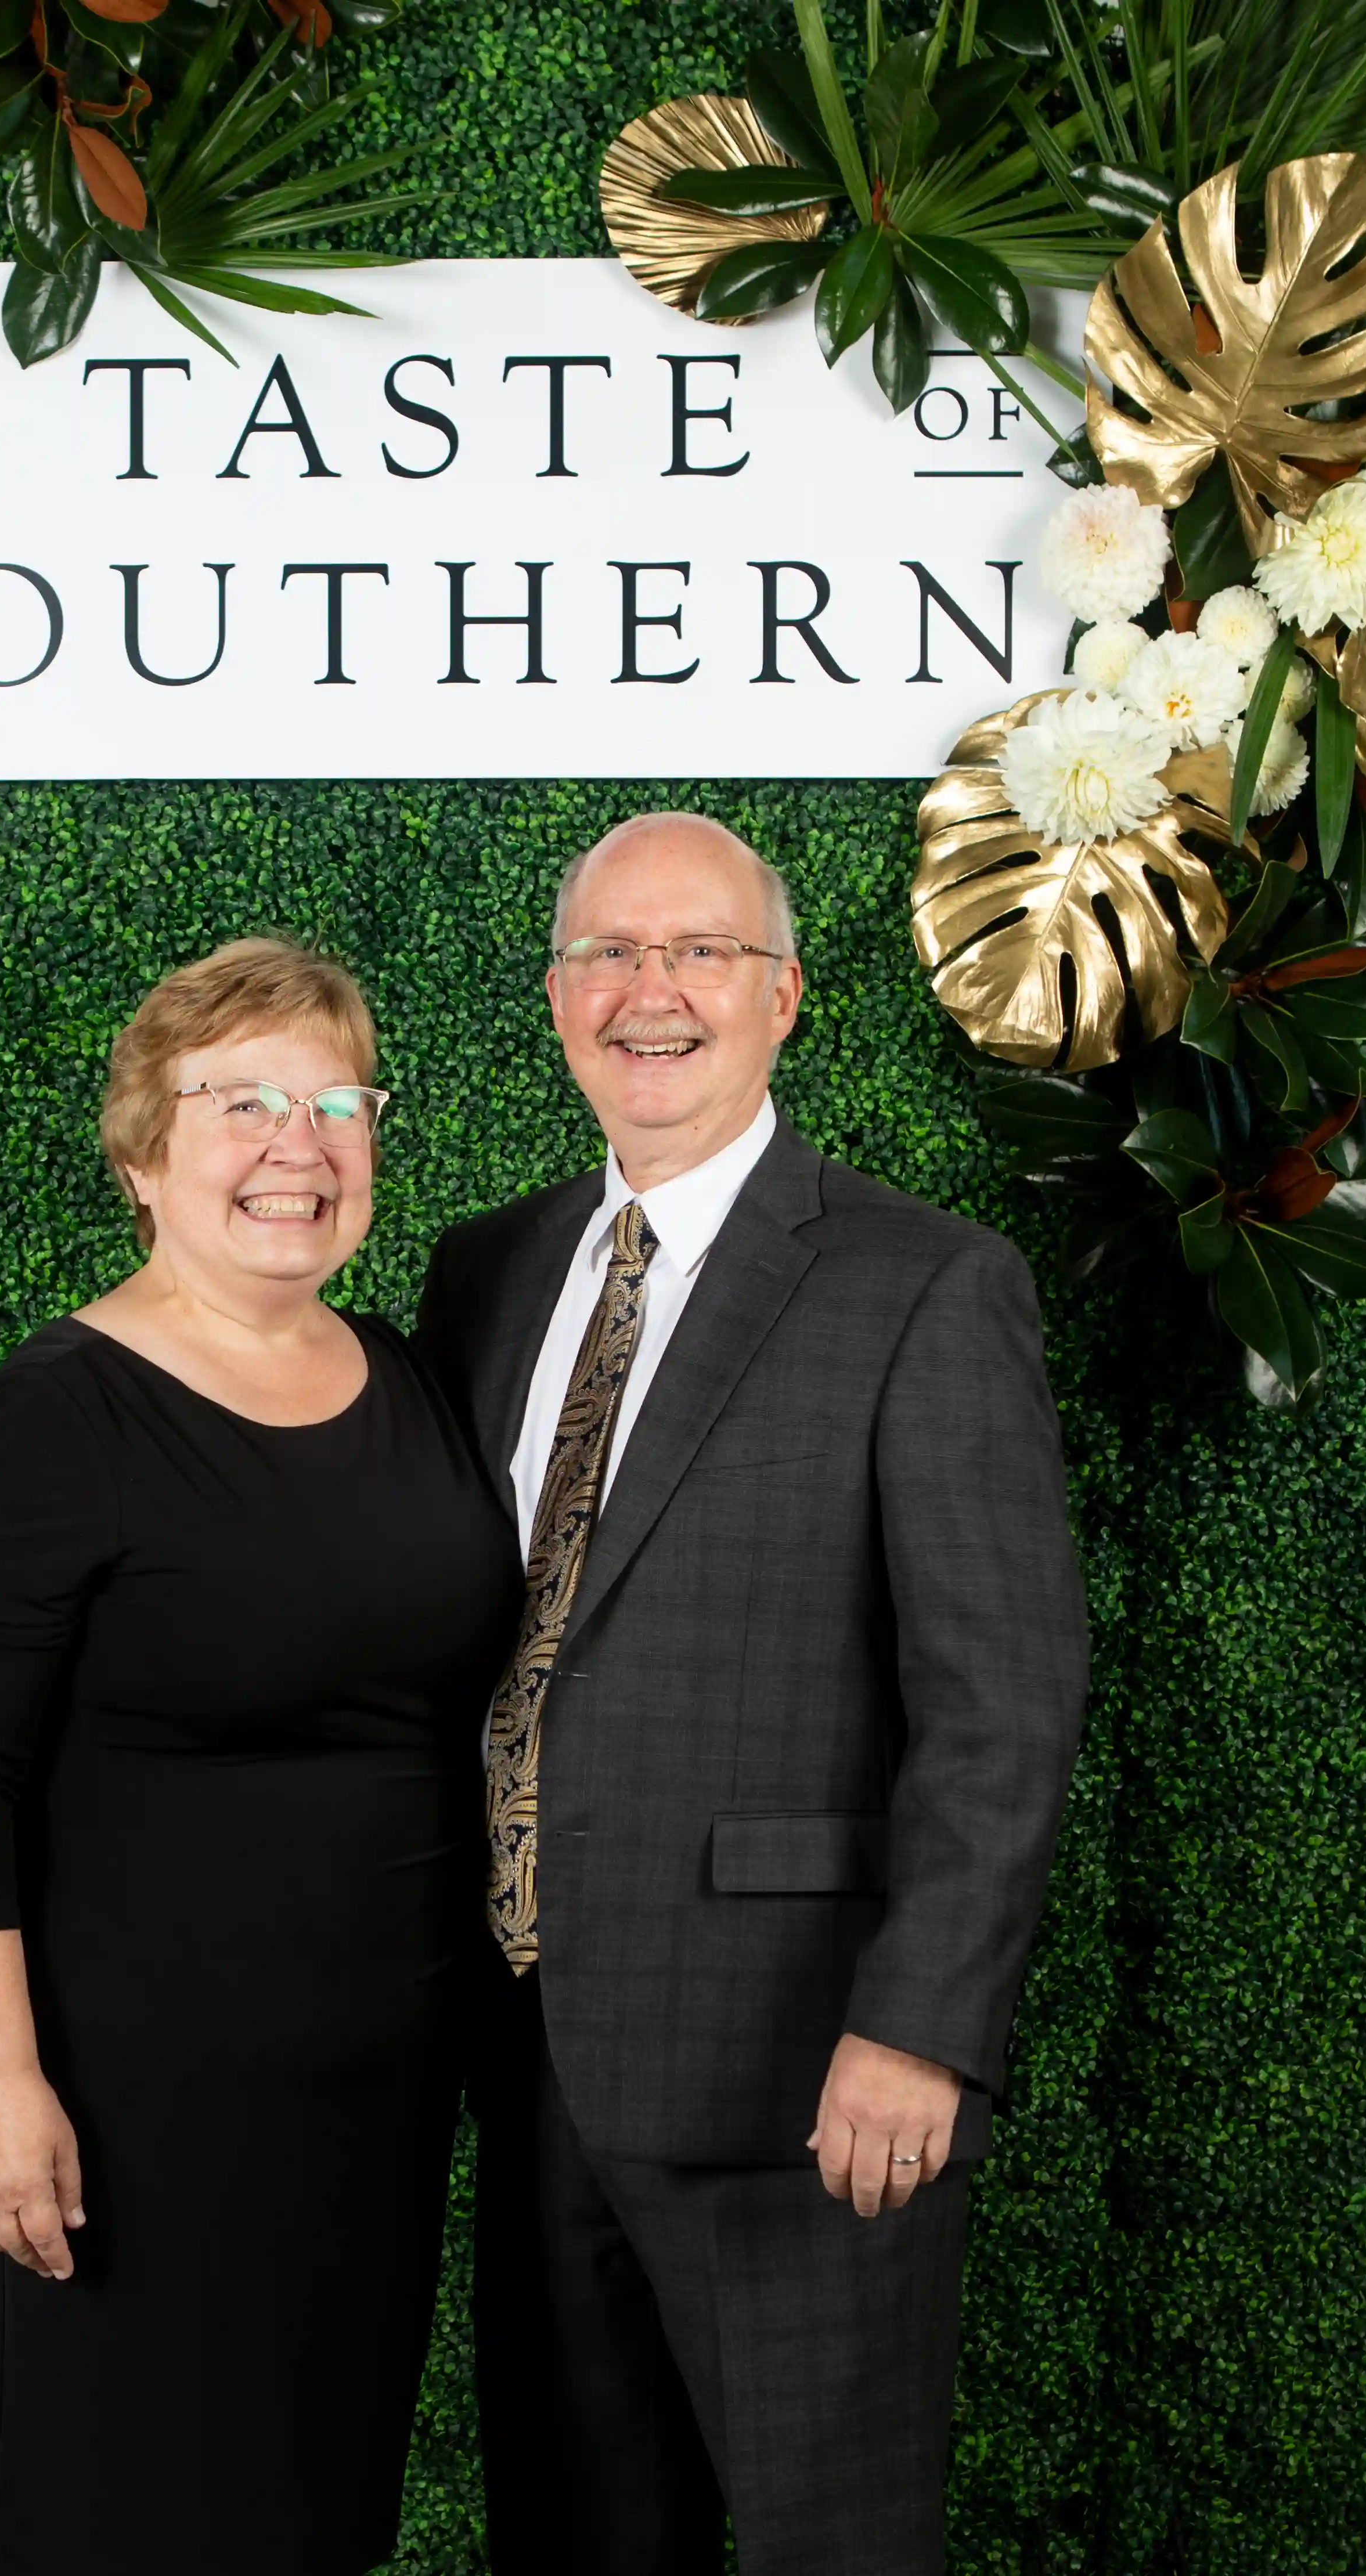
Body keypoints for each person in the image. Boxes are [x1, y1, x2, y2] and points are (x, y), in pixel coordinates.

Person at [411, 813, 1090, 2576]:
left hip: (805, 2076)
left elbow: (1002, 1701)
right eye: (607, 957)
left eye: (699, 952)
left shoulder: (924, 1284)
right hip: (528, 2045)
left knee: (832, 2546)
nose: (651, 992)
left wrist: (923, 2023)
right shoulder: (482, 1273)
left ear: (786, 994)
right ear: (557, 1000)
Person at [0, 937, 522, 2576]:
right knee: (124, 2517)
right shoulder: (48, 1422)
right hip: (132, 2118)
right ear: (143, 1157)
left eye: (332, 1100)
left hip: (373, 2105)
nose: (296, 1144)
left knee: (309, 2521)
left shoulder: (409, 1378)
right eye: (241, 1102)